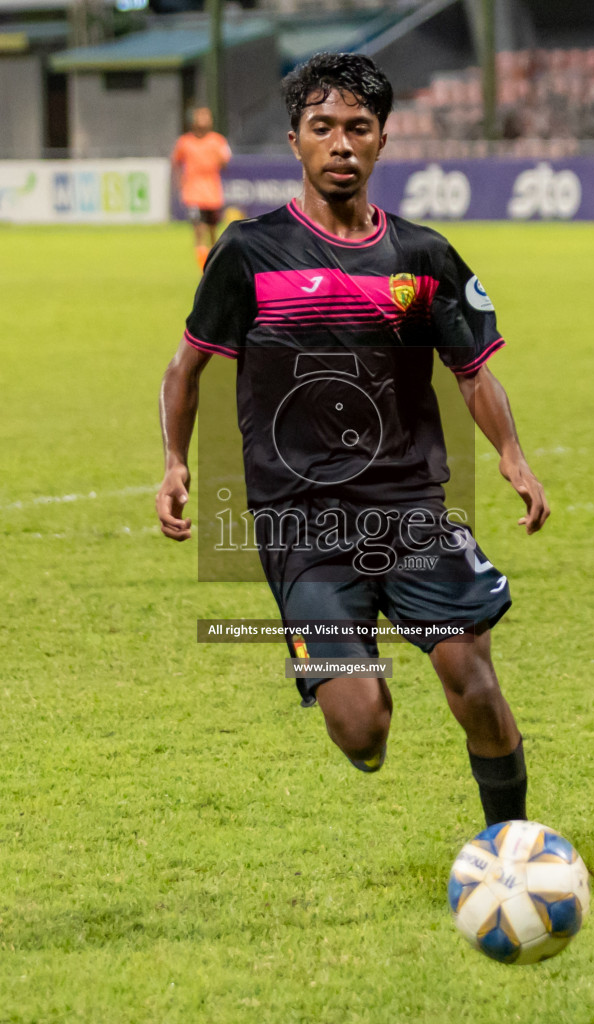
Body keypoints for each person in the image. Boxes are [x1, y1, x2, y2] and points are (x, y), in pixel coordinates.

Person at [155, 53, 550, 827]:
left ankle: (512, 844)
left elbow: (471, 371)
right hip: (299, 524)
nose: (341, 144)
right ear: (296, 141)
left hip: (407, 508)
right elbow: (185, 370)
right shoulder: (249, 253)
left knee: (471, 675)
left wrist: (511, 452)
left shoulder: (424, 257)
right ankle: (360, 695)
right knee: (360, 726)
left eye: (358, 129)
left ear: (381, 140)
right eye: (323, 128)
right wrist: (173, 461)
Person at [170, 106, 232, 271]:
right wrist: (179, 184)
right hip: (193, 192)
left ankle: (213, 263)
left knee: (213, 231)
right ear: (194, 120)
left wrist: (221, 157)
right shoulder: (185, 142)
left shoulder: (217, 141)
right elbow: (175, 162)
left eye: (207, 116)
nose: (204, 120)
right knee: (199, 228)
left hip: (212, 193)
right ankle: (203, 266)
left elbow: (225, 162)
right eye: (201, 116)